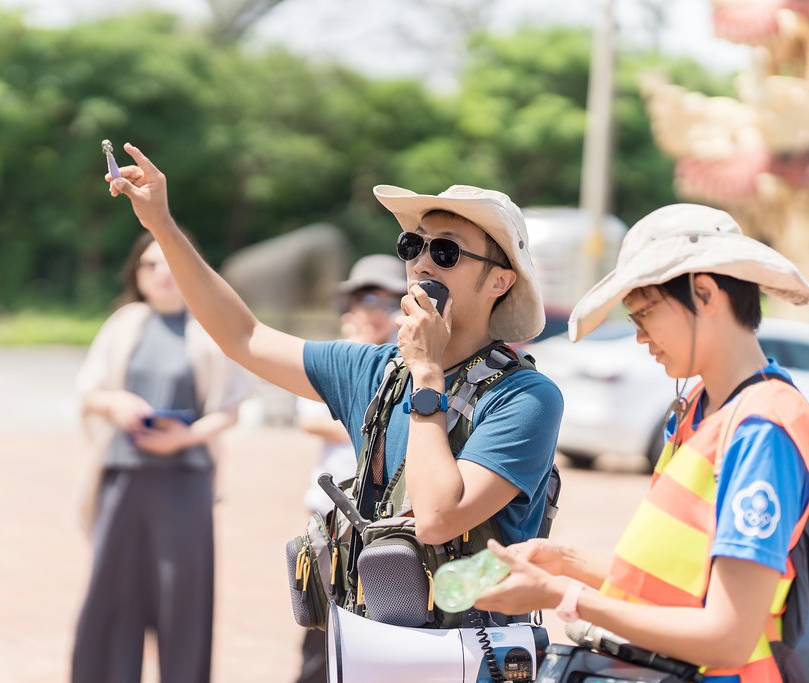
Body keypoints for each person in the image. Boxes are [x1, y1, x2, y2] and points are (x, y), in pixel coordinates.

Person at [105, 144, 562, 613]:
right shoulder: (374, 369)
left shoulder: (525, 397)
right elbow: (243, 336)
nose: (422, 263)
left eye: (445, 250)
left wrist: (427, 374)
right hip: (368, 641)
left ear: (499, 282)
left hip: (475, 654)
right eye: (413, 244)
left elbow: (437, 519)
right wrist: (161, 224)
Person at [473, 203, 809, 681]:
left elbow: (729, 635)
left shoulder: (763, 428)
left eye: (646, 313)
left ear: (705, 293)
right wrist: (564, 562)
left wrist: (563, 597)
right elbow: (672, 580)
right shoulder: (698, 405)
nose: (640, 336)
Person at [71, 230, 250, 683]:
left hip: (185, 482)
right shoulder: (124, 322)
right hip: (122, 478)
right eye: (149, 265)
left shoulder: (208, 326)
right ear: (136, 274)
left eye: (168, 263)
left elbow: (230, 409)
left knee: (183, 601)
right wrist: (116, 403)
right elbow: (88, 391)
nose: (160, 274)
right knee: (112, 597)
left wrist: (182, 438)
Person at [294, 253, 406, 683]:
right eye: (366, 299)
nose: (377, 311)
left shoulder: (413, 362)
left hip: (391, 522)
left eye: (389, 300)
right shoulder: (340, 357)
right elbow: (311, 419)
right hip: (330, 513)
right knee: (320, 628)